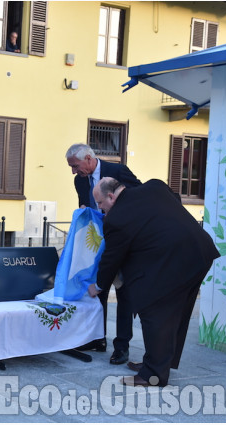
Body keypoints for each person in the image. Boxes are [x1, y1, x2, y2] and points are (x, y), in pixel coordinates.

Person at [90, 177, 220, 387]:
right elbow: (174, 200)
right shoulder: (154, 186)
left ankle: (154, 374)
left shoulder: (116, 219)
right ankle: (159, 363)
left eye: (100, 204)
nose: (100, 209)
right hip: (200, 252)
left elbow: (111, 259)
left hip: (174, 260)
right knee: (176, 312)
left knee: (154, 311)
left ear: (111, 197)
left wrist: (98, 286)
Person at [65, 143, 140, 366]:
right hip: (97, 243)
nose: (73, 171)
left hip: (123, 240)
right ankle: (97, 339)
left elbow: (139, 196)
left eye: (75, 165)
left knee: (123, 292)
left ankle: (121, 347)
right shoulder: (79, 180)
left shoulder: (118, 172)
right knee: (98, 289)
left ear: (88, 158)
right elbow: (86, 205)